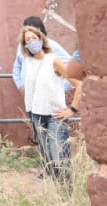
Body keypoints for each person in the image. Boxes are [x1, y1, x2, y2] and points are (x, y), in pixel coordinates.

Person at [18, 23, 73, 185]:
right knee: (48, 158)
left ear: (41, 39)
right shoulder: (29, 62)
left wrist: (72, 109)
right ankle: (57, 194)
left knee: (59, 157)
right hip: (36, 114)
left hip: (55, 115)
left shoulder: (53, 60)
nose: (32, 42)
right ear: (25, 45)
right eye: (28, 40)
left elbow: (77, 82)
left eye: (34, 38)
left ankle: (67, 196)